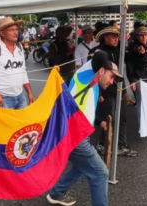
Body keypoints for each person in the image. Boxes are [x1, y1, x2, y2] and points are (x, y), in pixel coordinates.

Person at [47, 51, 122, 206]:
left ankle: (56, 193)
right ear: (101, 70)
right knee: (100, 173)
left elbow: (84, 106)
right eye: (112, 76)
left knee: (82, 166)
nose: (112, 81)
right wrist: (104, 54)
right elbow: (100, 56)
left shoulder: (94, 82)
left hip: (77, 133)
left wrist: (100, 121)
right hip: (74, 136)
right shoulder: (85, 75)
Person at [93, 27, 133, 157]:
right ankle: (103, 144)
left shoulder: (119, 50)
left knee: (123, 117)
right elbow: (95, 75)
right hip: (106, 89)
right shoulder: (99, 53)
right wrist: (98, 93)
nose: (116, 39)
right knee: (108, 118)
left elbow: (131, 60)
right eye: (113, 37)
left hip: (120, 87)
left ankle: (121, 145)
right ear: (105, 38)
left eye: (118, 36)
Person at [0, 16, 35, 109]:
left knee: (23, 123)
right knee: (5, 124)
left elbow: (23, 72)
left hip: (21, 97)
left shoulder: (19, 48)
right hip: (3, 99)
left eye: (16, 29)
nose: (15, 33)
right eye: (11, 30)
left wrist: (29, 93)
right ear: (2, 33)